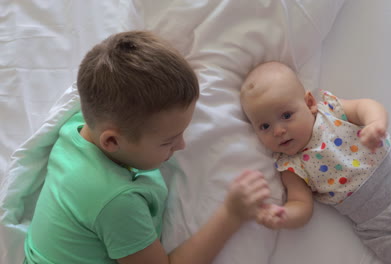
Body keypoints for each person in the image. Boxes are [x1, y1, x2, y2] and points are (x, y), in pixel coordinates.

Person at [24, 31, 270, 264]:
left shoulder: (81, 122)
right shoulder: (116, 201)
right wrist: (231, 214)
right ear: (111, 142)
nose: (182, 145)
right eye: (168, 141)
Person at [240, 61, 391, 263]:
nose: (278, 131)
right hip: (384, 231)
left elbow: (365, 106)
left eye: (286, 115)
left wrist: (375, 123)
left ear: (309, 102)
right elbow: (301, 205)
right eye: (265, 127)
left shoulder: (331, 112)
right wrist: (284, 215)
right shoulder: (290, 166)